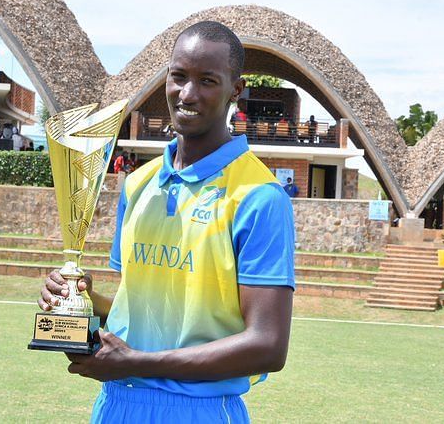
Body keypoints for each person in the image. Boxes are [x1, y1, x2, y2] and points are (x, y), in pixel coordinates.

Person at [39, 21, 294, 423]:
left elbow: (267, 345)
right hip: (116, 405)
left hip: (200, 411)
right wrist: (83, 299)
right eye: (178, 77)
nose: (187, 94)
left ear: (235, 90)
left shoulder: (258, 196)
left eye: (207, 80)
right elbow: (136, 307)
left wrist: (137, 362)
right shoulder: (138, 185)